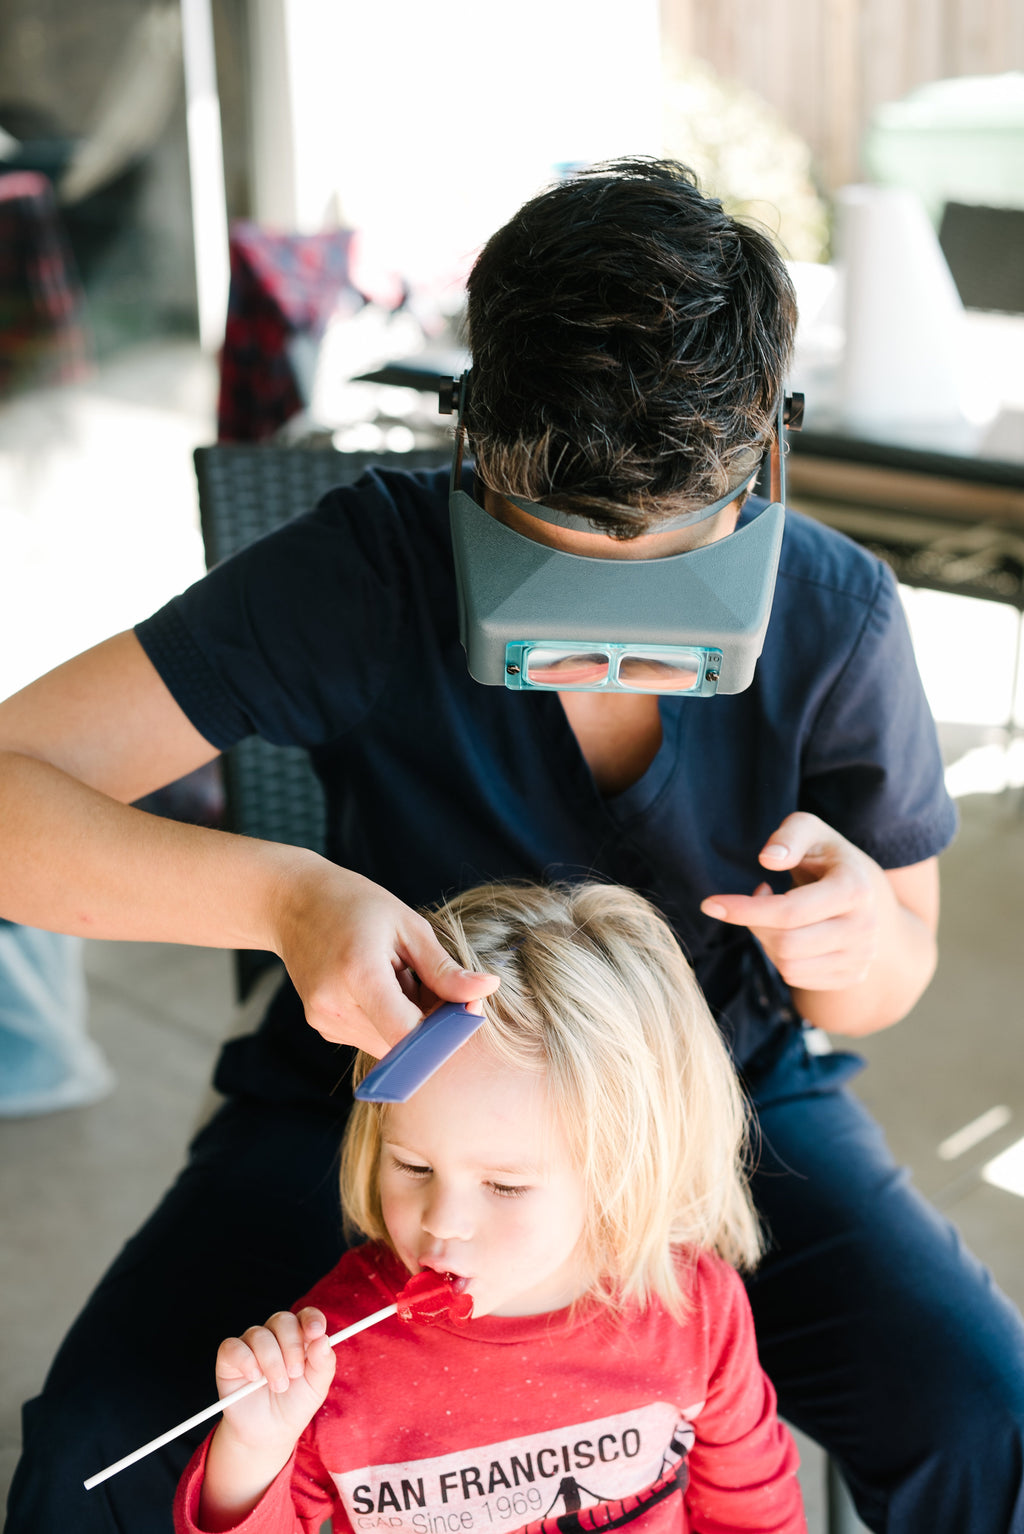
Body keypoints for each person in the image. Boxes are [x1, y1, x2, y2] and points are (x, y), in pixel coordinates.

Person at [1, 157, 1021, 1533]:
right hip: (391, 1112)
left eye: (673, 567)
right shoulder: (370, 573)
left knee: (980, 1419)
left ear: (765, 455)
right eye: (548, 561)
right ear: (471, 440)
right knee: (99, 1459)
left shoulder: (836, 613)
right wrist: (290, 900)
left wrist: (856, 939)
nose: (605, 632)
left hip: (713, 1100)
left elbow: (884, 978)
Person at [173, 880, 806, 1534]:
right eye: (413, 1166)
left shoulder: (693, 1310)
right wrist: (252, 1450)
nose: (441, 1220)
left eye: (504, 1185)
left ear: (620, 1171)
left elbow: (753, 1513)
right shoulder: (333, 1350)